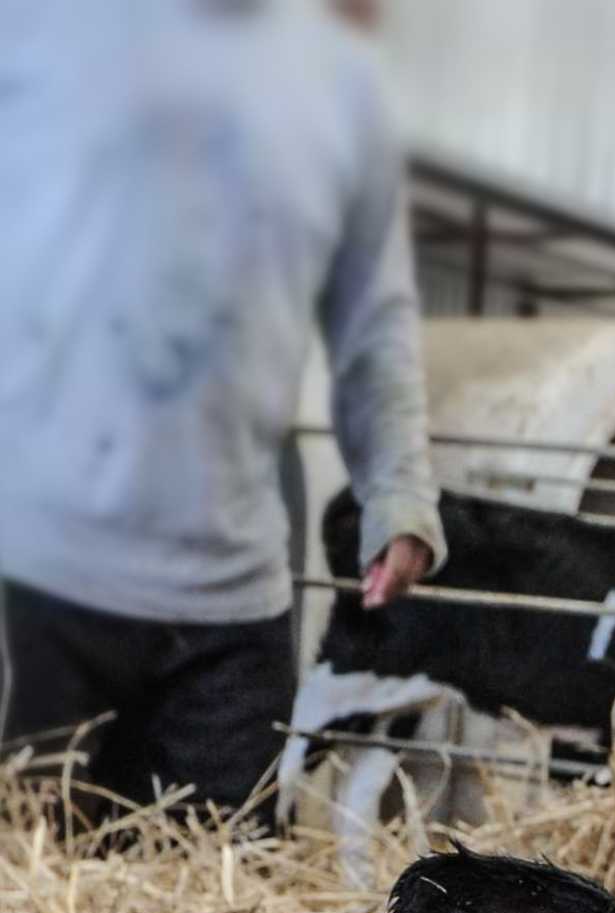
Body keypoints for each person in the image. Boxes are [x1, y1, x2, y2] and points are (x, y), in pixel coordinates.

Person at [0, 0, 445, 823]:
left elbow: (374, 319)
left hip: (231, 611)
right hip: (37, 579)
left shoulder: (347, 87)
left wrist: (400, 490)